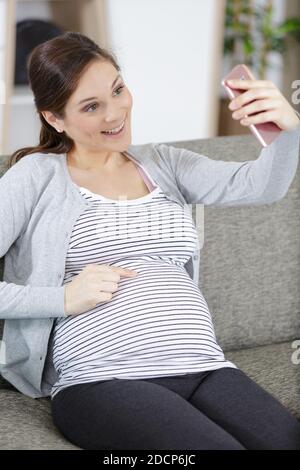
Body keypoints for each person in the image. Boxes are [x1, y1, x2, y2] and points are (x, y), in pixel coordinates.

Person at [0, 31, 300, 450]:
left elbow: (259, 187)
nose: (114, 113)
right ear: (55, 118)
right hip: (104, 379)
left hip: (207, 368)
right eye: (91, 106)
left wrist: (287, 131)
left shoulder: (163, 162)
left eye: (118, 90)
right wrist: (62, 299)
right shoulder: (36, 176)